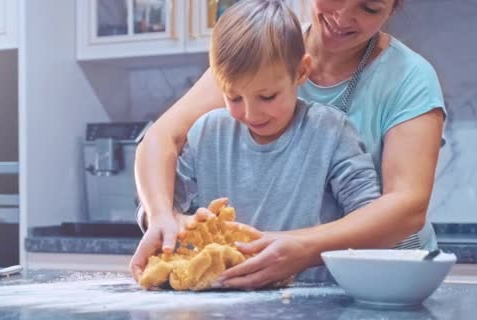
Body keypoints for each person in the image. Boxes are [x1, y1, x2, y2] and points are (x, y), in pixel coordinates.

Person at [131, 0, 446, 289]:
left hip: (386, 282)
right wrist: (160, 214)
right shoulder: (255, 50)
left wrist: (304, 248)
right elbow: (160, 139)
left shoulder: (408, 78)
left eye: (368, 8)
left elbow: (407, 207)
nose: (343, 16)